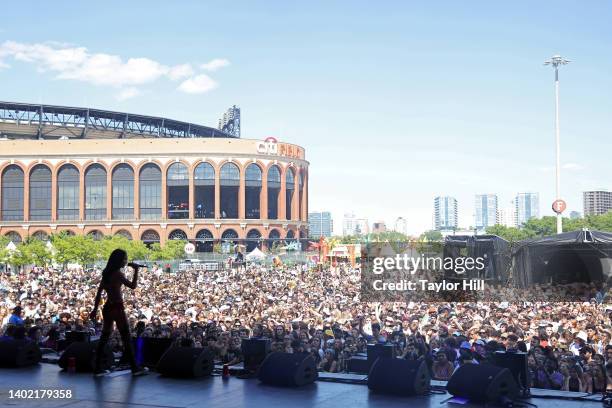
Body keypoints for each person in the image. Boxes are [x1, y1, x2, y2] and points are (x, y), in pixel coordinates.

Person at [89, 249, 147, 377]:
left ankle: (97, 368)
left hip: (107, 308)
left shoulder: (106, 274)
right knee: (126, 338)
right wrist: (136, 270)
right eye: (125, 258)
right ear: (119, 260)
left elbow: (99, 293)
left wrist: (94, 309)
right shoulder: (118, 274)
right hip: (117, 308)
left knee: (104, 337)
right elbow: (133, 286)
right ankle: (135, 368)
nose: (126, 261)